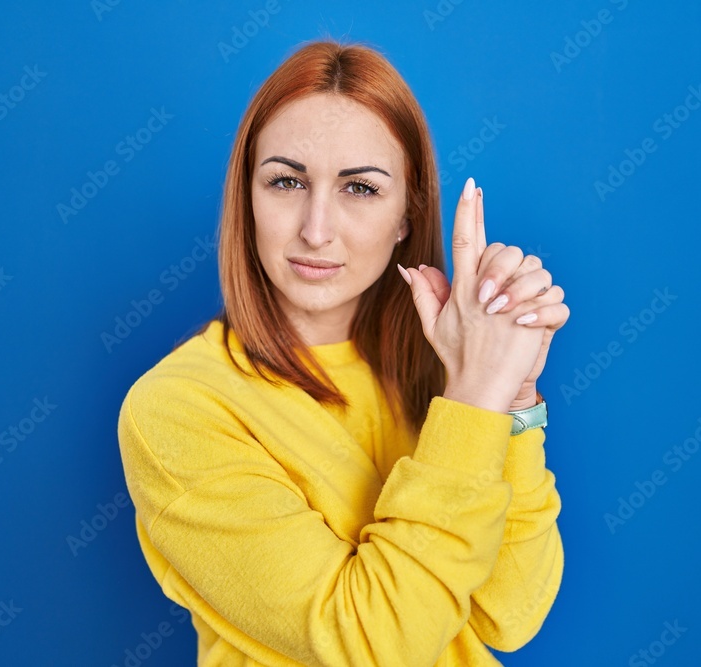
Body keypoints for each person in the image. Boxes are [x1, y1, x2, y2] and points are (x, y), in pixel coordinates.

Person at [117, 39, 570, 667]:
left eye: (359, 188)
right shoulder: (177, 410)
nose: (316, 228)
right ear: (246, 198)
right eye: (286, 181)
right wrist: (475, 397)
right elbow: (370, 644)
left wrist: (513, 397)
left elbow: (510, 612)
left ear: (407, 216)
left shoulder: (444, 375)